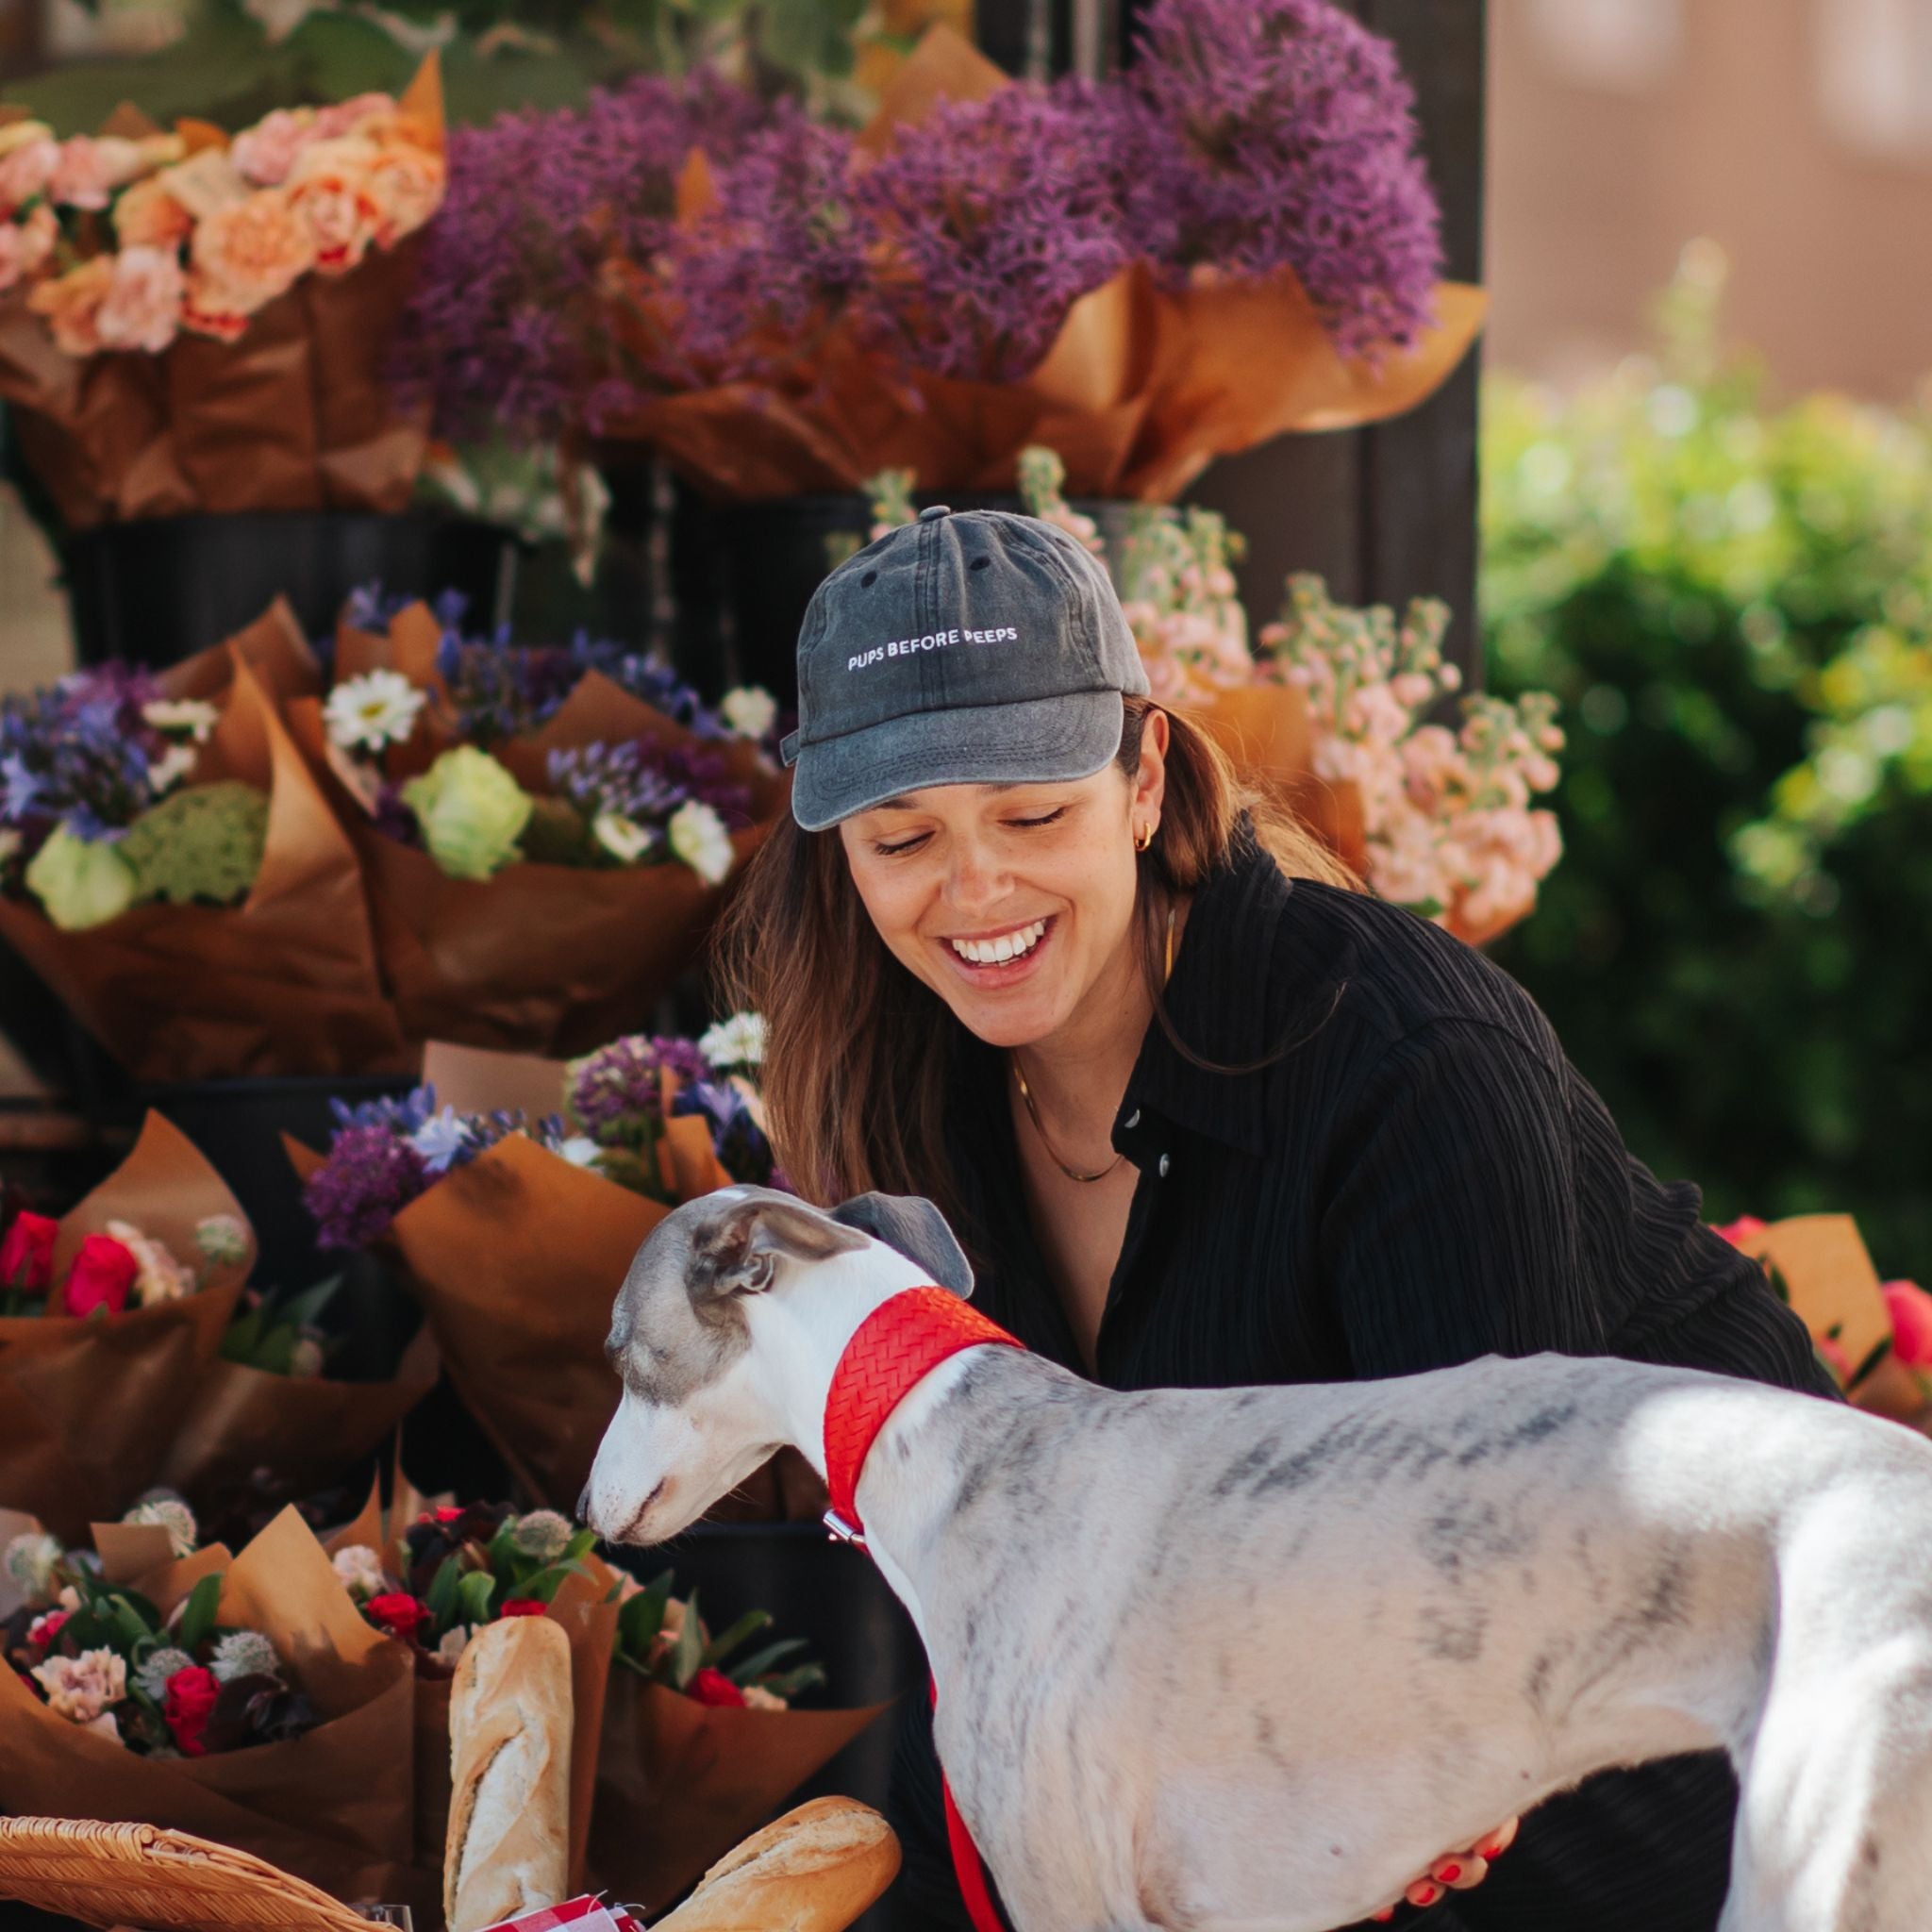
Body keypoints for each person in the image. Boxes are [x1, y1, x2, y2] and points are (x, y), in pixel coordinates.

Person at [719, 506, 1835, 1932]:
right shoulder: (898, 1095)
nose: (974, 886)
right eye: (903, 837)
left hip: (1702, 1791)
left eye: (1033, 814)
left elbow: (1485, 1627)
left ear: (1143, 779)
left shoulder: (1403, 1056)